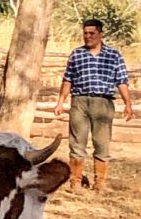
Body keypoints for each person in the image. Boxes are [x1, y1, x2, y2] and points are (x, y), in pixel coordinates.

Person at [54, 19, 133, 193]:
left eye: (91, 33)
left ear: (100, 34)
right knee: (77, 142)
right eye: (85, 33)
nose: (87, 37)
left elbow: (121, 81)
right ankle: (75, 181)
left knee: (102, 143)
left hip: (103, 102)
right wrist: (61, 101)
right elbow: (68, 79)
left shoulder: (113, 55)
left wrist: (128, 103)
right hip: (80, 101)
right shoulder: (77, 54)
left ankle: (100, 183)